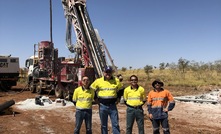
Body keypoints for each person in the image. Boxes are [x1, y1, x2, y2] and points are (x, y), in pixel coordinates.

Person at [90, 66, 122, 134]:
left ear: (111, 73)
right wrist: (95, 99)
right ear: (103, 73)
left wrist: (118, 98)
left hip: (112, 106)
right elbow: (92, 89)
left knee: (115, 124)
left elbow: (120, 89)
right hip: (102, 106)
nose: (108, 73)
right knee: (104, 125)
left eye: (109, 72)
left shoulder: (116, 80)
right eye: (106, 72)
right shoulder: (98, 81)